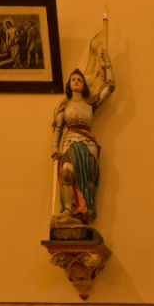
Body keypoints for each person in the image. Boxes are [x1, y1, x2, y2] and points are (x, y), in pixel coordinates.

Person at [50, 59, 115, 225]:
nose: (76, 81)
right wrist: (54, 148)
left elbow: (110, 86)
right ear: (69, 85)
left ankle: (84, 211)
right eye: (73, 79)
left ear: (84, 85)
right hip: (69, 142)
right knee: (67, 173)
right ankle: (68, 209)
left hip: (87, 144)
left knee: (86, 180)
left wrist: (107, 63)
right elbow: (58, 128)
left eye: (79, 79)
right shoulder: (63, 106)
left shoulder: (91, 103)